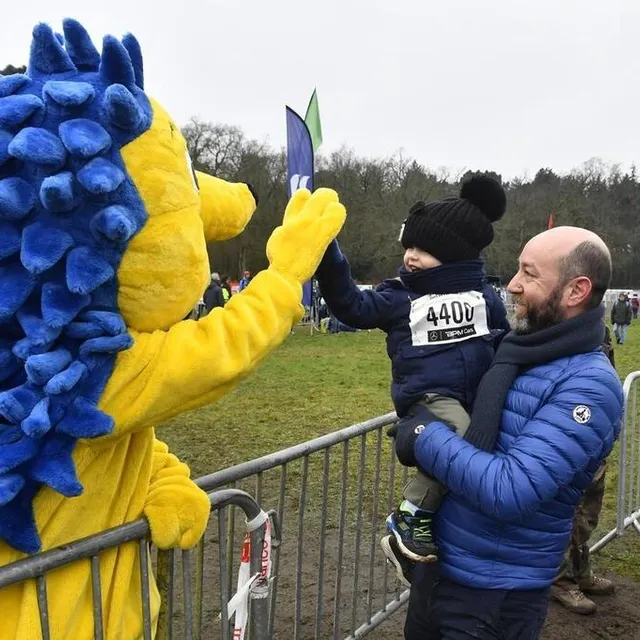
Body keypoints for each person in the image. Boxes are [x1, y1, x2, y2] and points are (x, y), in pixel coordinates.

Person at [396, 226, 623, 640]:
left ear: (576, 291)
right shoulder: (515, 349)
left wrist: (424, 435)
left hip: (496, 596)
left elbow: (510, 489)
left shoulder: (590, 386)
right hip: (442, 571)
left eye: (529, 274)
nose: (513, 285)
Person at [316, 175, 511, 579]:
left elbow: (503, 338)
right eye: (409, 245)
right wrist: (328, 256)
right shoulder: (401, 297)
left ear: (456, 256)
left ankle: (448, 529)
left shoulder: (484, 297)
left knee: (486, 443)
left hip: (474, 393)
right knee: (460, 438)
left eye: (424, 249)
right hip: (429, 396)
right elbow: (351, 306)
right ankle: (409, 515)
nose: (411, 256)